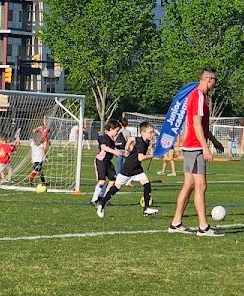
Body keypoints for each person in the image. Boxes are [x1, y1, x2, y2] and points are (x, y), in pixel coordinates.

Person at [168, 67, 225, 236]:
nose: (215, 84)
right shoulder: (199, 96)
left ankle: (176, 223)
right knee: (201, 186)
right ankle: (203, 227)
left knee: (189, 185)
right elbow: (196, 124)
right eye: (215, 80)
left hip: (191, 146)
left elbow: (200, 125)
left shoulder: (197, 96)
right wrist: (205, 147)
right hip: (195, 147)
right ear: (208, 79)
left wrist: (213, 141)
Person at [96, 121, 159, 218]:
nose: (152, 134)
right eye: (150, 132)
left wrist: (128, 146)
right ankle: (102, 204)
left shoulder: (142, 139)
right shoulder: (141, 142)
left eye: (152, 132)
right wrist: (152, 155)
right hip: (128, 169)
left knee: (147, 184)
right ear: (143, 132)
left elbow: (131, 138)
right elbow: (140, 158)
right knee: (116, 188)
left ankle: (146, 209)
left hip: (137, 168)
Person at [91, 119, 126, 205]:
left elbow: (113, 148)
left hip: (107, 162)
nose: (117, 133)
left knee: (113, 179)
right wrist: (115, 152)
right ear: (110, 129)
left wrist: (123, 152)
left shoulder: (111, 139)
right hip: (101, 161)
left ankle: (103, 198)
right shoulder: (104, 137)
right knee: (102, 180)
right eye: (116, 131)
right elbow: (104, 147)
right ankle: (94, 199)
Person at [26, 116, 49, 186]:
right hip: (38, 156)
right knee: (37, 170)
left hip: (38, 156)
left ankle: (43, 182)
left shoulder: (46, 129)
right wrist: (45, 156)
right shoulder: (40, 129)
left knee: (39, 170)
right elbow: (34, 130)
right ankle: (30, 181)